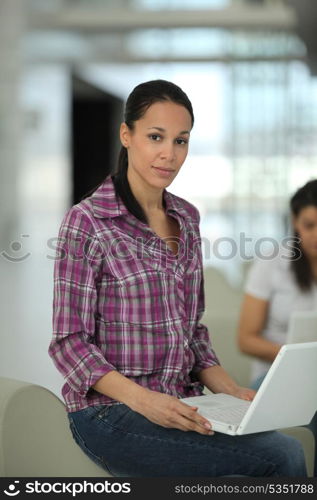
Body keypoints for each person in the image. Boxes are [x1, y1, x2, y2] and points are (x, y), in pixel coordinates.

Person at [49, 79, 306, 477]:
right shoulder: (87, 223)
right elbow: (69, 344)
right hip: (111, 413)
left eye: (181, 140)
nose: (169, 154)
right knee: (282, 455)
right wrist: (145, 401)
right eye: (156, 137)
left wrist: (231, 390)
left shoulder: (186, 218)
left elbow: (193, 331)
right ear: (126, 135)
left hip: (184, 402)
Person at [238, 178, 317, 476]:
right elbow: (246, 339)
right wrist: (298, 357)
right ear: (295, 222)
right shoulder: (272, 262)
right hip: (273, 377)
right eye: (309, 225)